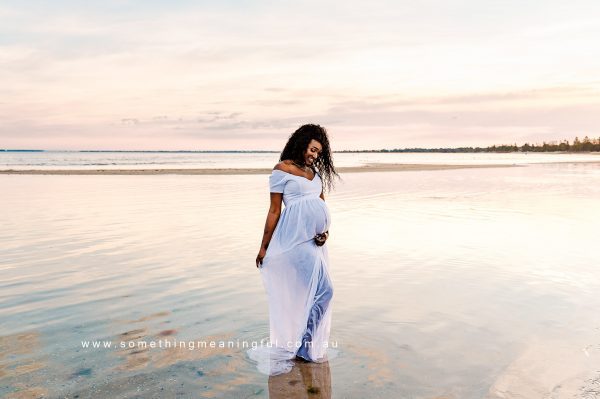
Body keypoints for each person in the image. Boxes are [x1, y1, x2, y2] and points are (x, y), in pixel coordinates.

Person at [247, 124, 340, 376]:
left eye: (319, 152)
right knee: (323, 292)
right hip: (292, 242)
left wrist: (325, 233)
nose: (314, 155)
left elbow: (321, 206)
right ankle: (303, 346)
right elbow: (275, 210)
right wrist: (263, 246)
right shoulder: (282, 170)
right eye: (312, 149)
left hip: (314, 243)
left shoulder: (315, 174)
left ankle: (304, 345)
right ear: (301, 144)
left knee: (320, 293)